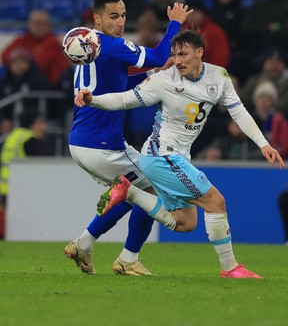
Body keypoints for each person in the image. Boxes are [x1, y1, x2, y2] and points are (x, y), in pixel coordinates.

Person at [75, 29, 285, 278]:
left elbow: (238, 112)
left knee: (186, 223)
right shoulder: (163, 80)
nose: (177, 60)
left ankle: (130, 192)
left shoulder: (219, 76)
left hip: (178, 157)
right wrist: (93, 100)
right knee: (216, 202)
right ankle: (230, 268)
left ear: (200, 53)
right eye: (174, 55)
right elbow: (124, 99)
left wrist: (263, 143)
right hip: (160, 155)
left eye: (183, 54)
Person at [64, 0, 192, 276]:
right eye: (113, 16)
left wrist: (151, 73)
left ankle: (84, 244)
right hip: (103, 145)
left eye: (123, 15)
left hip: (81, 143)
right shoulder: (112, 46)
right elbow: (159, 53)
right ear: (97, 19)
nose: (120, 22)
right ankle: (128, 259)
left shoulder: (87, 48)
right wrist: (175, 23)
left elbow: (116, 81)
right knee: (154, 187)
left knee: (130, 193)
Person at [0, 109, 54, 239]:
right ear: (31, 125)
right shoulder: (30, 140)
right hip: (20, 190)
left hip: (4, 188)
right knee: (19, 228)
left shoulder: (11, 137)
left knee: (8, 226)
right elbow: (51, 159)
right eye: (40, 123)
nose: (44, 127)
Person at [1, 9, 68, 87]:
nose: (39, 27)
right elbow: (5, 55)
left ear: (49, 25)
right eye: (36, 23)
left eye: (43, 23)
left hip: (45, 88)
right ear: (29, 24)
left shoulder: (56, 45)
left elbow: (60, 71)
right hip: (18, 86)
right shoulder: (21, 41)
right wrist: (16, 63)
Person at [0, 48, 52, 128]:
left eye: (22, 62)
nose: (18, 65)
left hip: (32, 119)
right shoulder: (5, 81)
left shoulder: (37, 79)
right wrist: (4, 119)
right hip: (9, 120)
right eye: (15, 62)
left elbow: (45, 101)